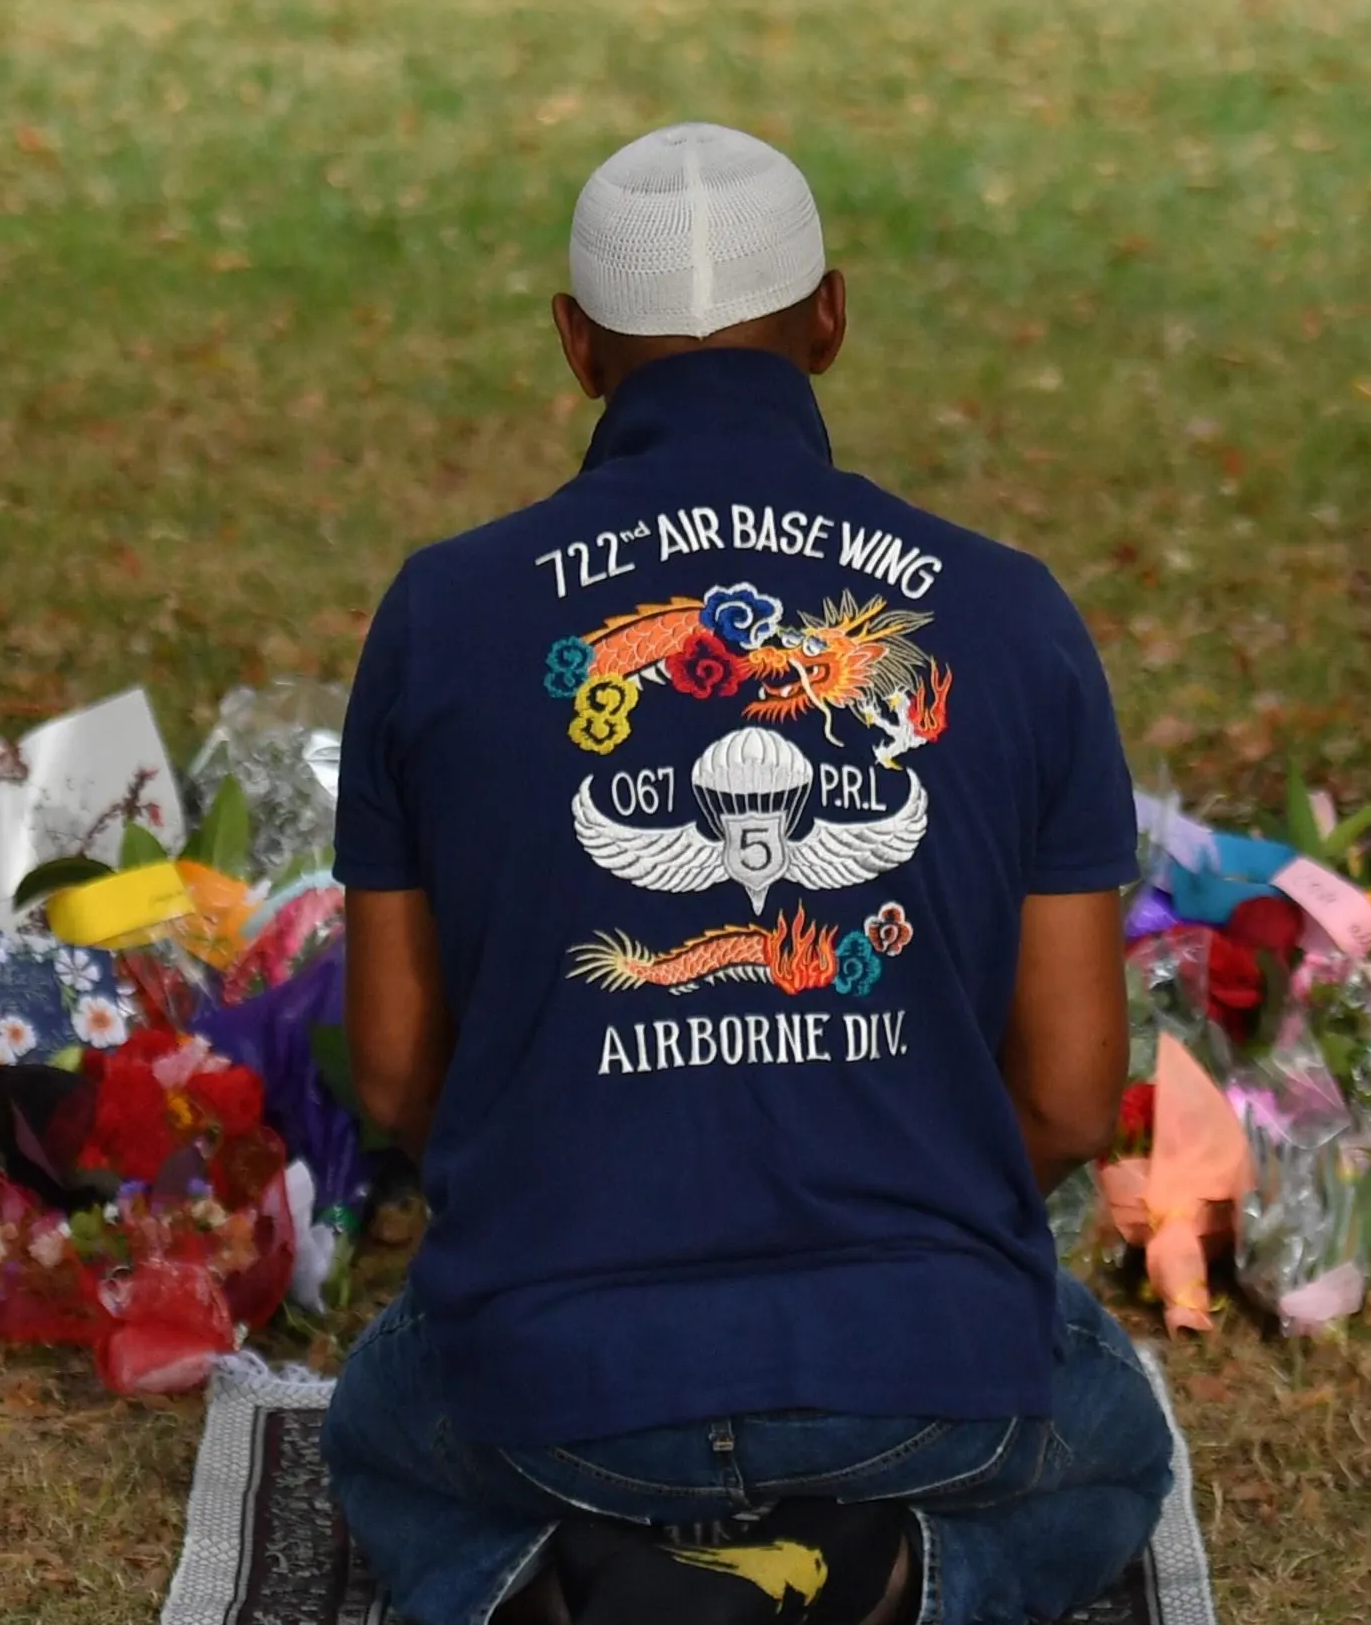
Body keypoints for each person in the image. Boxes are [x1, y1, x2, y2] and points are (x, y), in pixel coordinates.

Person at [325, 123, 1173, 1625]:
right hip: (919, 1385)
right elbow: (1066, 1095)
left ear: (579, 347)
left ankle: (558, 1583)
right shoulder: (1011, 611)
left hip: (564, 1394)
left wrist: (584, 1148)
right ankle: (894, 1582)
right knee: (1109, 1448)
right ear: (832, 320)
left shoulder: (443, 612)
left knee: (389, 1438)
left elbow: (393, 1076)